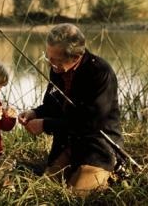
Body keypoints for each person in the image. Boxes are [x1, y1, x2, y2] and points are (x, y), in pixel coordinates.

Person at [18, 23, 124, 196]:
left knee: (74, 196)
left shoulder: (100, 73)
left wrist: (45, 125)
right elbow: (51, 105)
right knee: (44, 189)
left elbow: (90, 123)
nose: (52, 64)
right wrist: (35, 113)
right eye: (49, 58)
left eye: (57, 60)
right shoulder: (56, 69)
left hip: (98, 148)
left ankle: (110, 174)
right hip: (68, 144)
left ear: (77, 56)